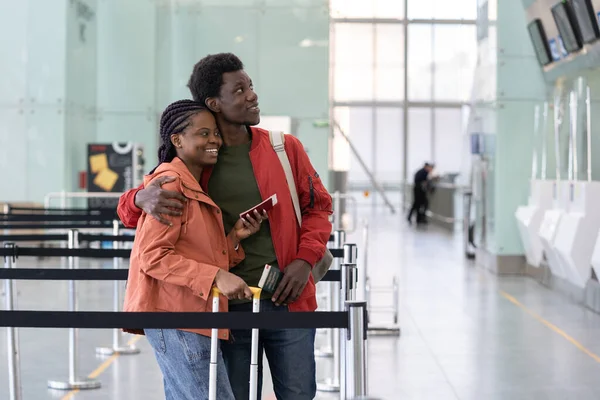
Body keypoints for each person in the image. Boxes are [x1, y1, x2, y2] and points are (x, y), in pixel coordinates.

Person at [117, 53, 333, 400]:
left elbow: (319, 209)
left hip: (289, 297)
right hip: (226, 306)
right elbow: (140, 212)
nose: (252, 95)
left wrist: (304, 261)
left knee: (298, 393)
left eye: (251, 86)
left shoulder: (285, 148)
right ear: (214, 102)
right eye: (240, 90)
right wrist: (138, 198)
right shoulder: (197, 159)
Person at [122, 99, 266, 400]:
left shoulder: (192, 184)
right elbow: (153, 256)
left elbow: (191, 249)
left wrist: (234, 237)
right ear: (177, 140)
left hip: (189, 315)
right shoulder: (172, 184)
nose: (214, 140)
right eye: (203, 133)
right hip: (176, 316)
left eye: (215, 133)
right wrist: (216, 277)